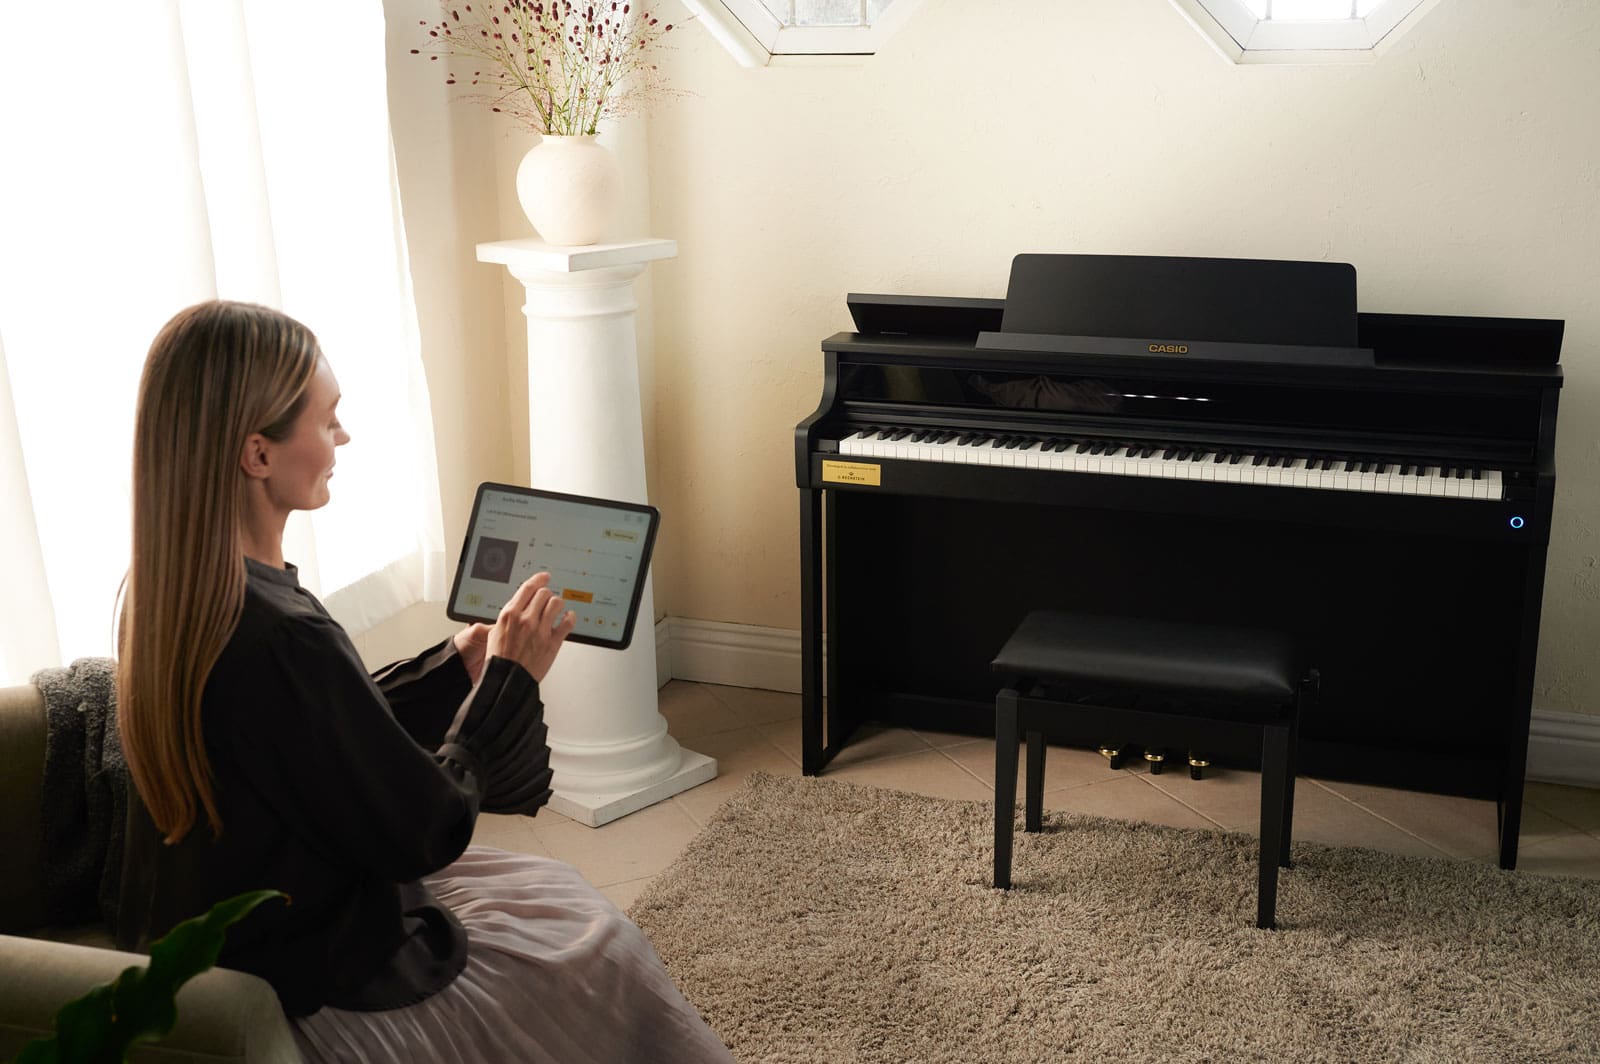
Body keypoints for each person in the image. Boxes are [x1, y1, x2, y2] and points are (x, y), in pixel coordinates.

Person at [114, 300, 734, 1063]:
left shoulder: (169, 594)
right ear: (257, 454)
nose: (343, 438)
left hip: (247, 934)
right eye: (327, 421)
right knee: (599, 942)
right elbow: (426, 828)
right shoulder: (282, 632)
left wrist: (455, 667)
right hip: (318, 971)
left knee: (554, 890)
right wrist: (508, 677)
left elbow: (318, 730)